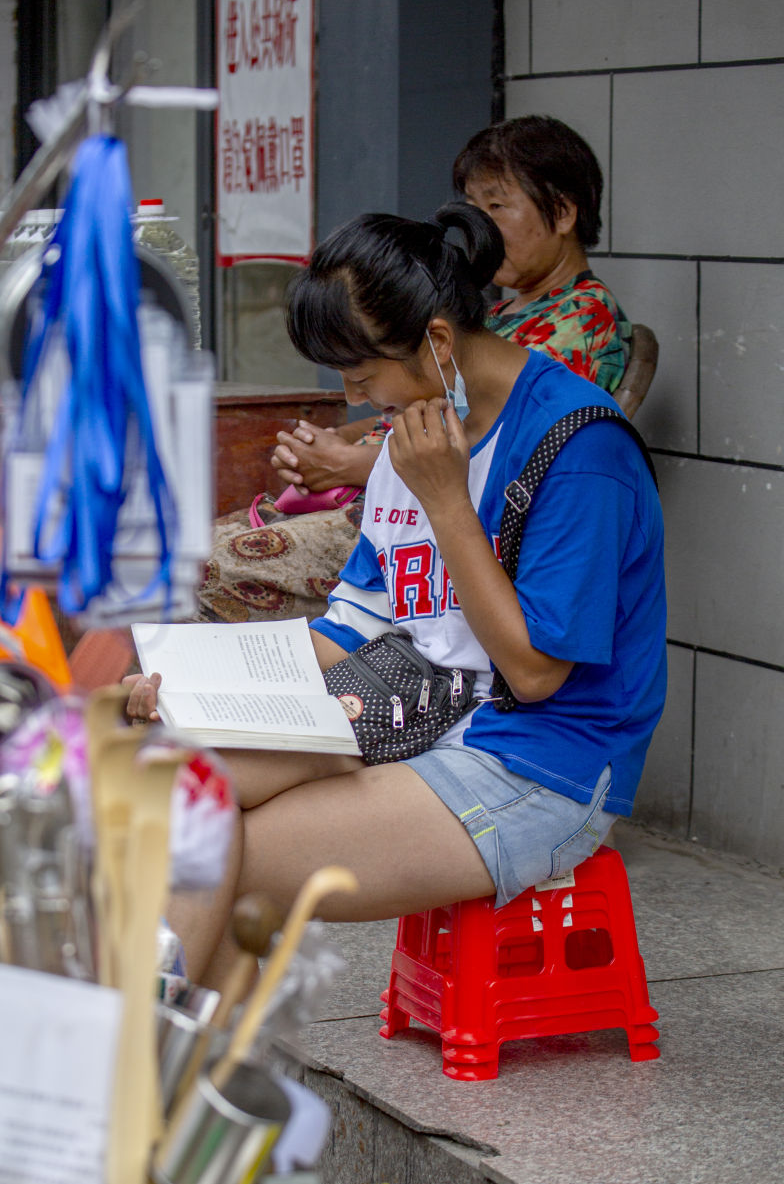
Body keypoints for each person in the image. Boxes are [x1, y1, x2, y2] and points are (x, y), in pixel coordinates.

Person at [128, 203, 666, 986]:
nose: (357, 400)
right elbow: (348, 630)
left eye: (363, 375)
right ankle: (170, 1067)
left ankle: (154, 1076)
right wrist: (188, 687)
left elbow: (537, 674)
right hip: (412, 712)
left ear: (438, 343)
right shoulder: (415, 431)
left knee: (215, 851)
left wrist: (448, 502)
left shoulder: (578, 450)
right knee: (169, 777)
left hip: (541, 761)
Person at [197, 115, 632, 627]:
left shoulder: (578, 323)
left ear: (562, 212)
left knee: (196, 569)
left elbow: (492, 446)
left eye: (497, 205)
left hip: (440, 516)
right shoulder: (503, 316)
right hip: (399, 501)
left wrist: (346, 464)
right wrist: (334, 444)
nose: (482, 224)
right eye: (474, 207)